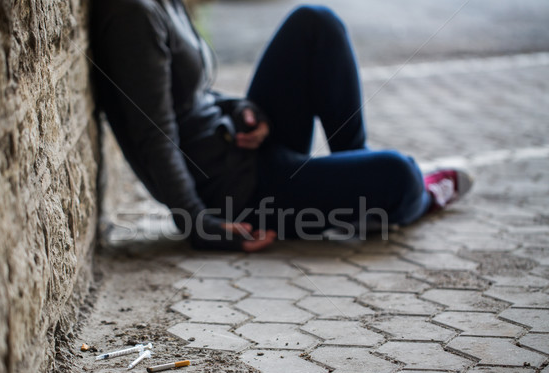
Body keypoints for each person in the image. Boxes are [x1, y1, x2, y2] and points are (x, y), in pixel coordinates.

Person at [90, 0, 472, 252]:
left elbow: (195, 97)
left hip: (244, 146)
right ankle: (421, 195)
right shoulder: (132, 15)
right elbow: (154, 135)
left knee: (315, 23)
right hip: (240, 194)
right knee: (400, 176)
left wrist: (242, 110)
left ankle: (357, 175)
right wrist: (199, 224)